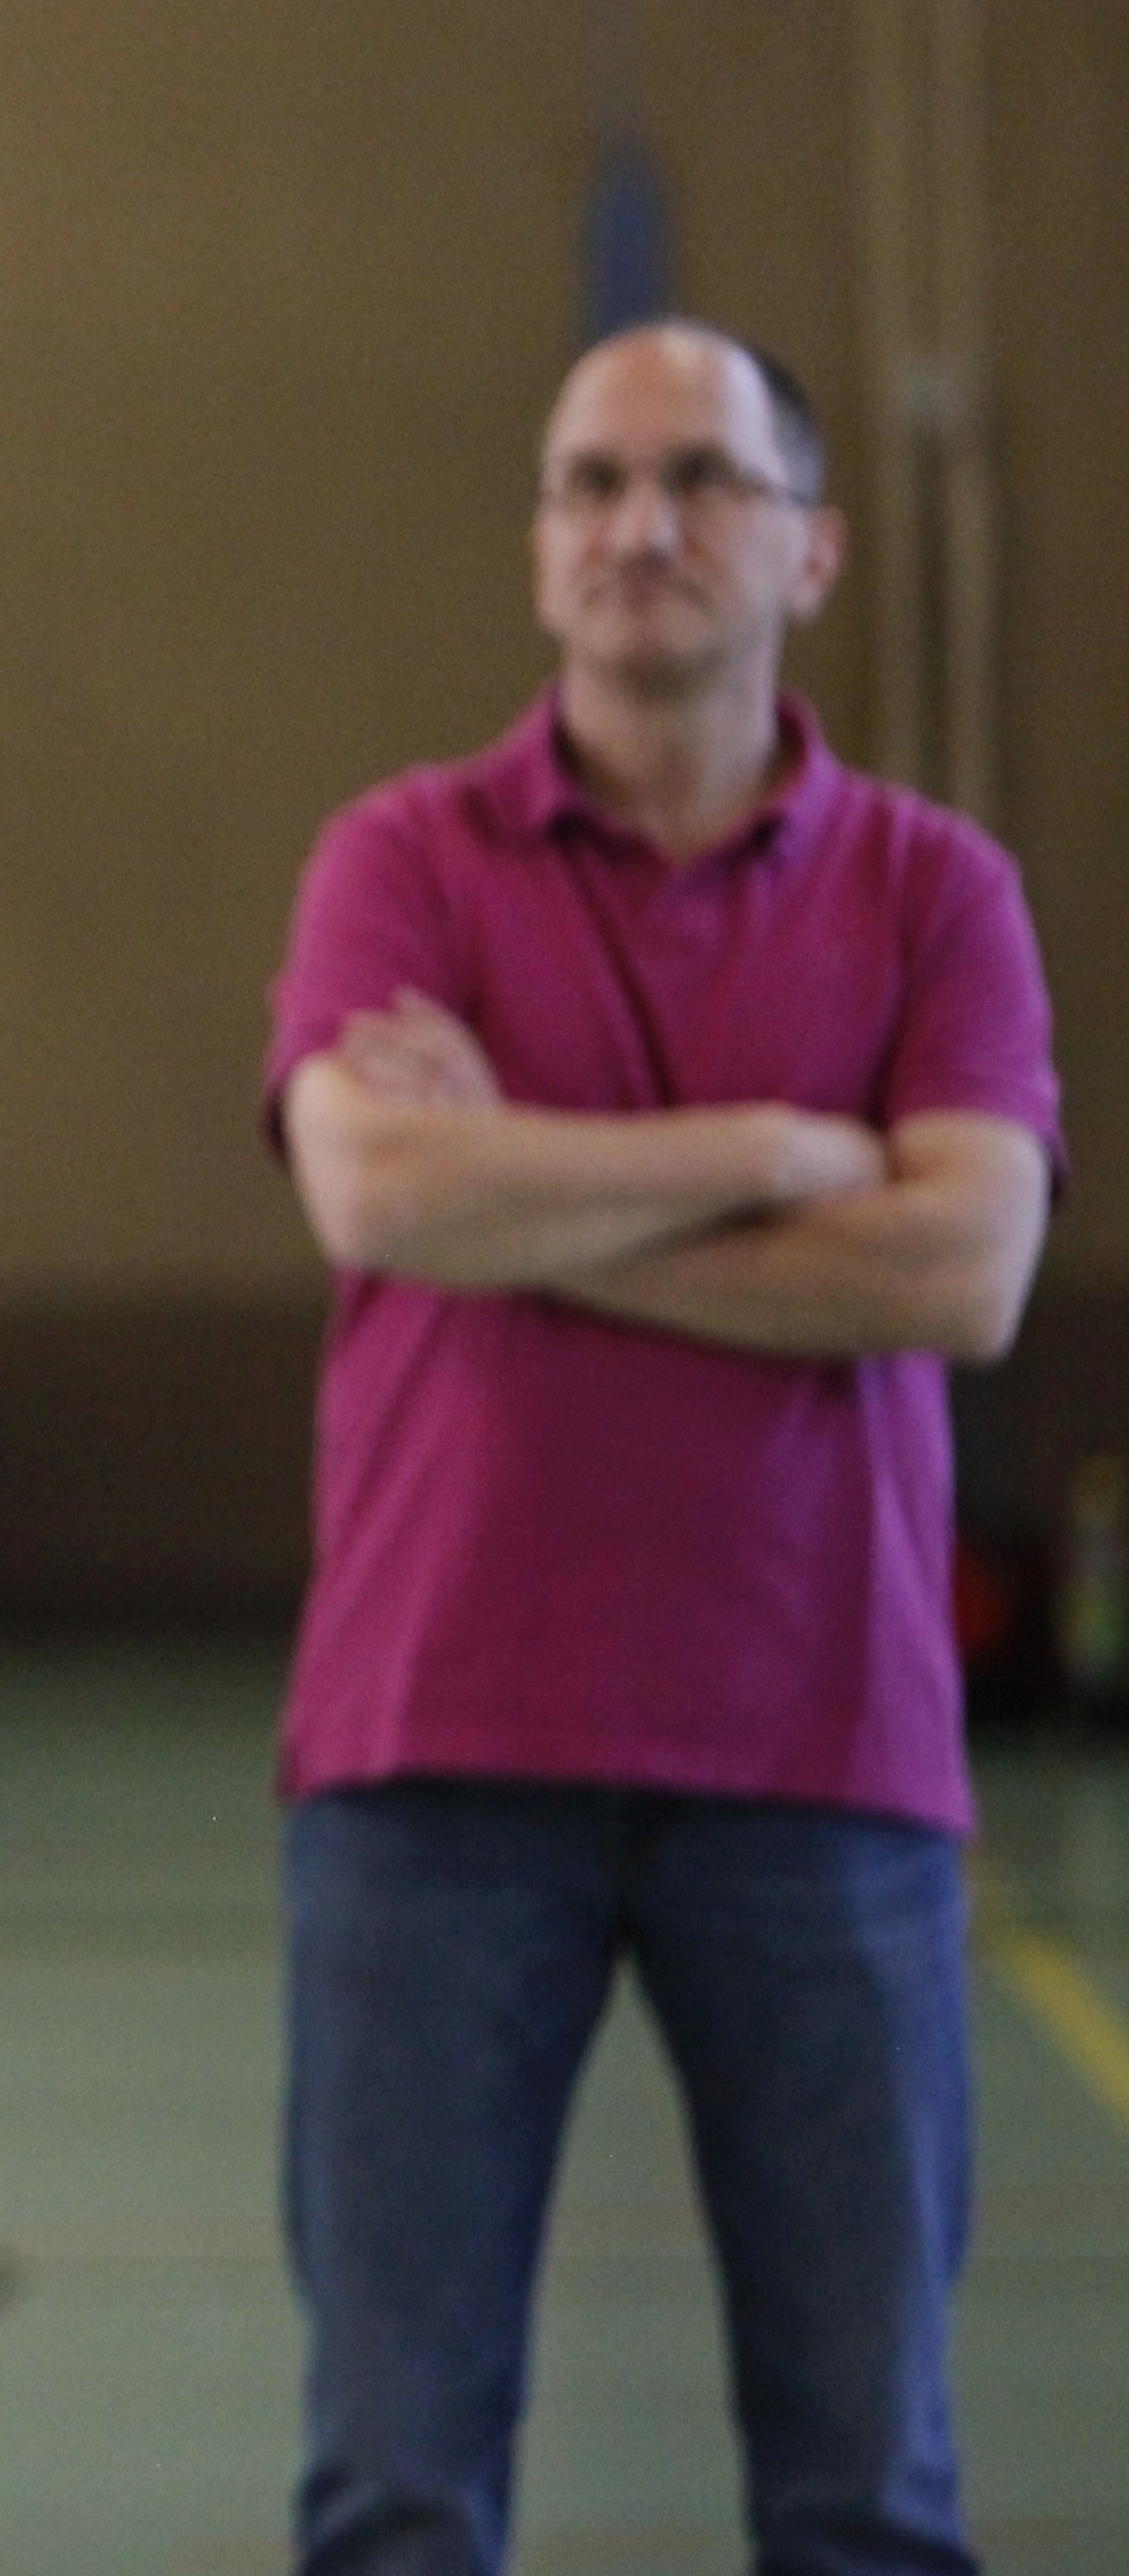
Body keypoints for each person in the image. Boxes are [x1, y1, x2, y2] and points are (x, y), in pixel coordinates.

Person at [264, 320, 1058, 2576]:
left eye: (698, 478)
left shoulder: (933, 891)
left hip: (824, 1760)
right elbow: (375, 1195)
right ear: (537, 546)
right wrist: (772, 1152)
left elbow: (959, 1275)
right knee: (395, 2488)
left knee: (863, 2490)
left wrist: (527, 1195)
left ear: (811, 549)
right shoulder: (398, 857)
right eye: (588, 481)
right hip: (429, 1758)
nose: (636, 524)